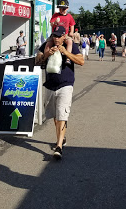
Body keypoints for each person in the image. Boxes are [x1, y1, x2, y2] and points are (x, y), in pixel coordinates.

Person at [36, 26, 84, 160]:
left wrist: (66, 53)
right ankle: (61, 138)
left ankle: (58, 147)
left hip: (65, 84)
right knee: (56, 116)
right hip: (50, 85)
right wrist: (47, 54)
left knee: (62, 114)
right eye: (54, 36)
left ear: (64, 36)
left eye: (58, 36)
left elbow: (81, 61)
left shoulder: (71, 45)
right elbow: (37, 60)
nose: (56, 38)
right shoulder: (47, 45)